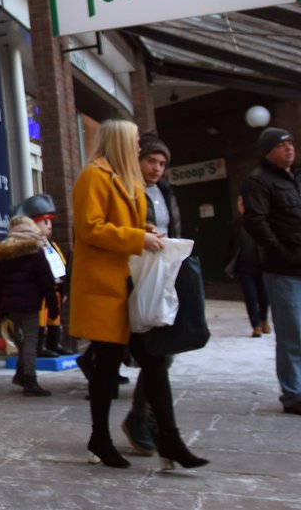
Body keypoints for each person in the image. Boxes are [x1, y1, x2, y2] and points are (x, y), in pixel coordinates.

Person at [71, 119, 207, 470]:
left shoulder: (125, 179)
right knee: (108, 367)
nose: (137, 148)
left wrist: (140, 230)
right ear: (118, 142)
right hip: (105, 288)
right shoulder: (93, 176)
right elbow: (90, 228)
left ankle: (170, 439)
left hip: (129, 286)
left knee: (155, 361)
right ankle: (101, 437)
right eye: (133, 142)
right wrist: (137, 238)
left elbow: (115, 226)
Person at [241, 127, 301, 418]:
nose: (289, 148)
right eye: (281, 145)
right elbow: (256, 221)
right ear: (268, 151)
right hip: (286, 273)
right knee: (290, 335)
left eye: (290, 142)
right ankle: (294, 395)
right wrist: (281, 251)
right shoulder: (258, 181)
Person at [120, 131, 183, 457]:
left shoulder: (164, 191)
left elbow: (174, 230)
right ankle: (142, 418)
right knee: (155, 351)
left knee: (163, 350)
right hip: (136, 275)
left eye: (162, 163)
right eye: (151, 161)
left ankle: (146, 416)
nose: (157, 168)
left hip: (162, 274)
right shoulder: (129, 190)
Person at [0, 215, 58, 396]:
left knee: (21, 340)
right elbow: (46, 280)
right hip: (30, 303)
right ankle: (30, 380)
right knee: (31, 339)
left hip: (10, 305)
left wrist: (0, 308)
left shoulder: (4, 253)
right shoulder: (35, 250)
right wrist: (52, 304)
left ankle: (21, 374)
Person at [11, 194, 68, 359]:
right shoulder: (30, 246)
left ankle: (54, 342)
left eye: (49, 221)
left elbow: (61, 263)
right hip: (40, 290)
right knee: (41, 317)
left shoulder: (52, 245)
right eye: (45, 222)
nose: (49, 226)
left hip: (55, 287)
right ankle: (40, 346)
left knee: (55, 316)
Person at [226, 196, 270, 337]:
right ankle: (255, 325)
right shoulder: (235, 224)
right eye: (241, 204)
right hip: (244, 266)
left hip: (261, 265)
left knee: (264, 295)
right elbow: (231, 246)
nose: (244, 206)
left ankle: (264, 319)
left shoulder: (260, 221)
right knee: (250, 296)